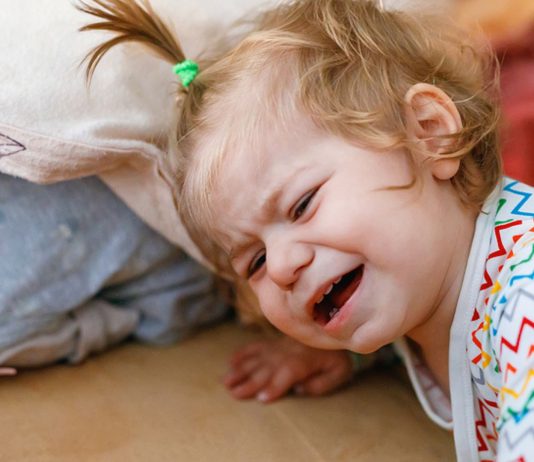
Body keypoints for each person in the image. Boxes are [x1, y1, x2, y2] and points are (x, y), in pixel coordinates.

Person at [79, 0, 534, 460]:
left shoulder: (524, 301)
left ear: (428, 134)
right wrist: (351, 351)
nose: (279, 267)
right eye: (254, 260)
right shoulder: (425, 274)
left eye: (302, 205)